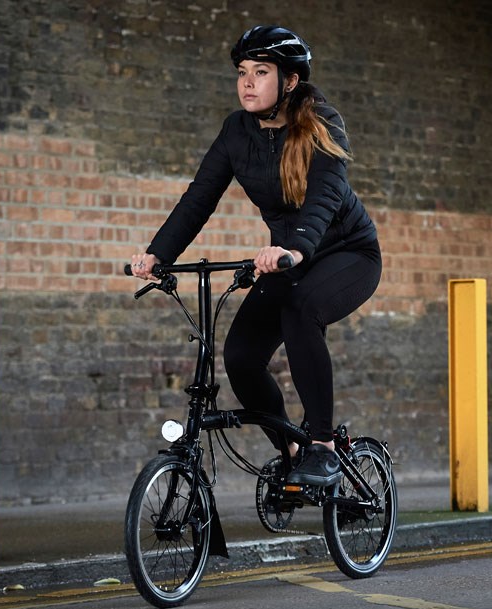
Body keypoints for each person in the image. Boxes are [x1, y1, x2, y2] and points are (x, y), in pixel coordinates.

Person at [129, 25, 381, 486]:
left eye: (260, 72)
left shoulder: (322, 122)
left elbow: (325, 195)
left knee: (302, 310)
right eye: (242, 72)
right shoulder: (236, 130)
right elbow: (199, 198)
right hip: (287, 258)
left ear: (289, 80)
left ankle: (322, 447)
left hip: (346, 253)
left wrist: (295, 249)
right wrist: (156, 254)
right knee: (241, 355)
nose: (247, 82)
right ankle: (291, 452)